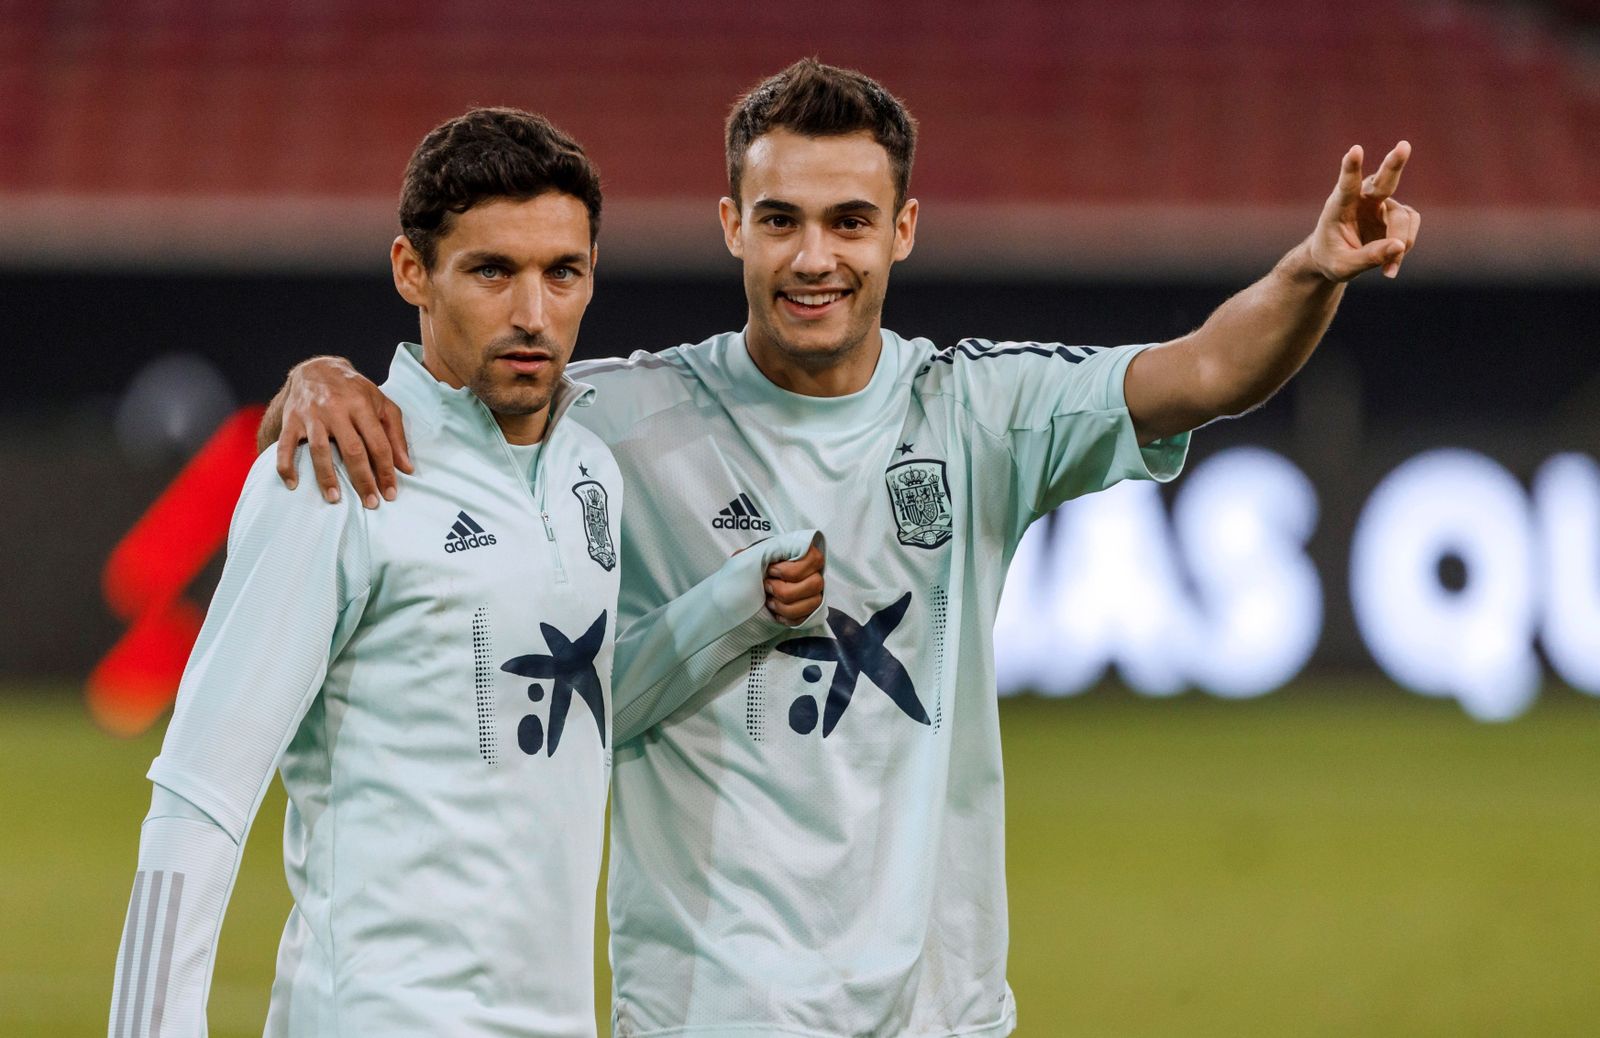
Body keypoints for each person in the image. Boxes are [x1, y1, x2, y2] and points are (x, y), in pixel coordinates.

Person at [263, 60, 1419, 1038]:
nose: (814, 257)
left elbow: (1205, 371)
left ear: (901, 230)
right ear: (733, 227)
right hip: (709, 1013)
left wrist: (1309, 272)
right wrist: (316, 379)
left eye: (849, 221)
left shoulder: (976, 411)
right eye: (780, 221)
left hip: (940, 1012)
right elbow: (451, 401)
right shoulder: (615, 415)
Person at [108, 106, 823, 1038]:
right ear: (412, 270)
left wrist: (740, 605)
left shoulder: (587, 470)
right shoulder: (335, 471)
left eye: (561, 272)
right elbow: (201, 790)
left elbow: (579, 710)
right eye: (492, 271)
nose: (533, 313)